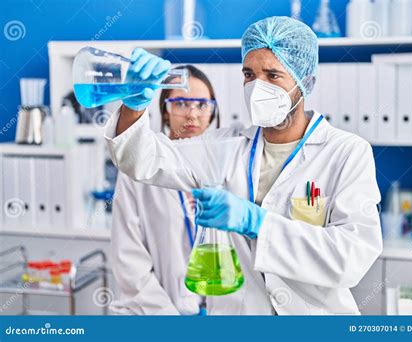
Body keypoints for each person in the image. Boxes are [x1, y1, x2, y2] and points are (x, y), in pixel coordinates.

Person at [105, 16, 383, 315]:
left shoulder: (346, 152)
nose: (256, 87)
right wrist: (134, 105)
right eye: (249, 74)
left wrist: (258, 223)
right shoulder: (226, 145)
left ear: (306, 82)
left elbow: (351, 257)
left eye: (273, 75)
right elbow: (143, 159)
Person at [110, 65, 219, 315]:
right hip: (155, 313)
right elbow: (129, 260)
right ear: (166, 110)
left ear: (212, 111)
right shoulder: (139, 167)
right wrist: (167, 316)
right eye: (181, 103)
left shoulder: (224, 166)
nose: (192, 114)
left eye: (202, 104)